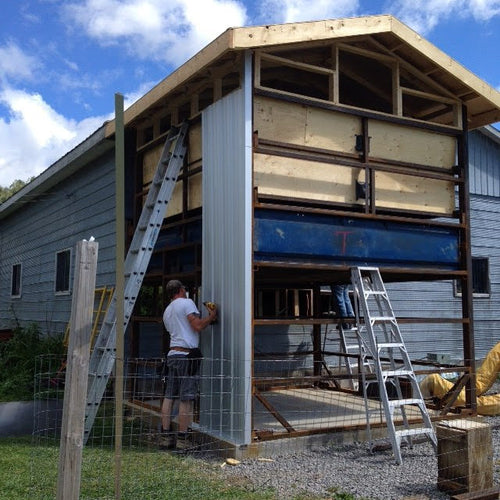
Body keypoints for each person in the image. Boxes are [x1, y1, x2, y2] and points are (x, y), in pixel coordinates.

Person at [160, 279, 217, 450]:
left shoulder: (167, 311)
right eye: (184, 289)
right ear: (180, 290)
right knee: (186, 399)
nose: (186, 291)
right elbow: (198, 326)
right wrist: (212, 316)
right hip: (186, 356)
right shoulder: (186, 303)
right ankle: (182, 440)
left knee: (169, 397)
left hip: (172, 355)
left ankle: (165, 437)